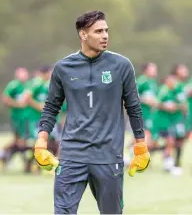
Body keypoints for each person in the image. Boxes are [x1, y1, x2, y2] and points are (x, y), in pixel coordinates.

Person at [33, 11, 150, 214]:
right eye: (98, 31)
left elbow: (133, 106)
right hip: (72, 154)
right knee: (62, 212)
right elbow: (51, 107)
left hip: (108, 155)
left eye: (106, 31)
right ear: (83, 35)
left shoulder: (122, 66)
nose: (105, 35)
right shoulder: (63, 68)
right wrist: (41, 142)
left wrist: (140, 145)